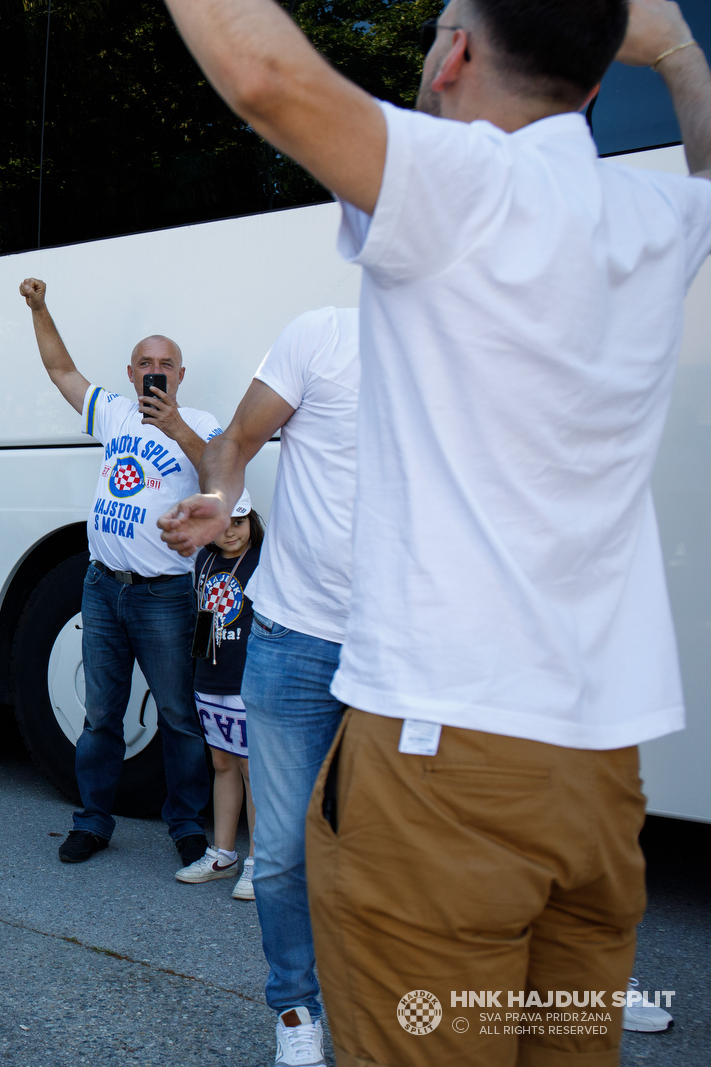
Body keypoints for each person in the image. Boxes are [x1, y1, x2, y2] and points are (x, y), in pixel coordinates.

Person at [156, 0, 711, 1064]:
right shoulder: (652, 223)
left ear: (453, 56)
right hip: (601, 773)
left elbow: (263, 74)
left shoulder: (464, 187)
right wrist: (680, 47)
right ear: (597, 86)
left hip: (446, 757)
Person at [165, 306, 358, 1066]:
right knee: (278, 851)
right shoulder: (325, 336)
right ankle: (295, 1014)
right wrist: (218, 497)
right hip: (294, 639)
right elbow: (237, 440)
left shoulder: (465, 345)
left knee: (411, 844)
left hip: (406, 648)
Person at [19, 277, 221, 869]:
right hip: (103, 586)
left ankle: (185, 824)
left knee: (179, 717)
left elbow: (223, 477)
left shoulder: (204, 424)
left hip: (166, 596)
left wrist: (174, 426)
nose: (155, 372)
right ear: (130, 373)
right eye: (145, 364)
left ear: (179, 376)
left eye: (167, 365)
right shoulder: (112, 413)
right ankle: (92, 821)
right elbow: (61, 371)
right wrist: (40, 307)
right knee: (101, 714)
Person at [176, 490, 261, 901]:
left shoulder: (265, 560)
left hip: (246, 680)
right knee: (223, 763)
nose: (231, 533)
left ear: (252, 523)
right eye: (224, 524)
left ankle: (260, 862)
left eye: (240, 523)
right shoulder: (203, 560)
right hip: (209, 677)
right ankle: (222, 853)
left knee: (252, 769)